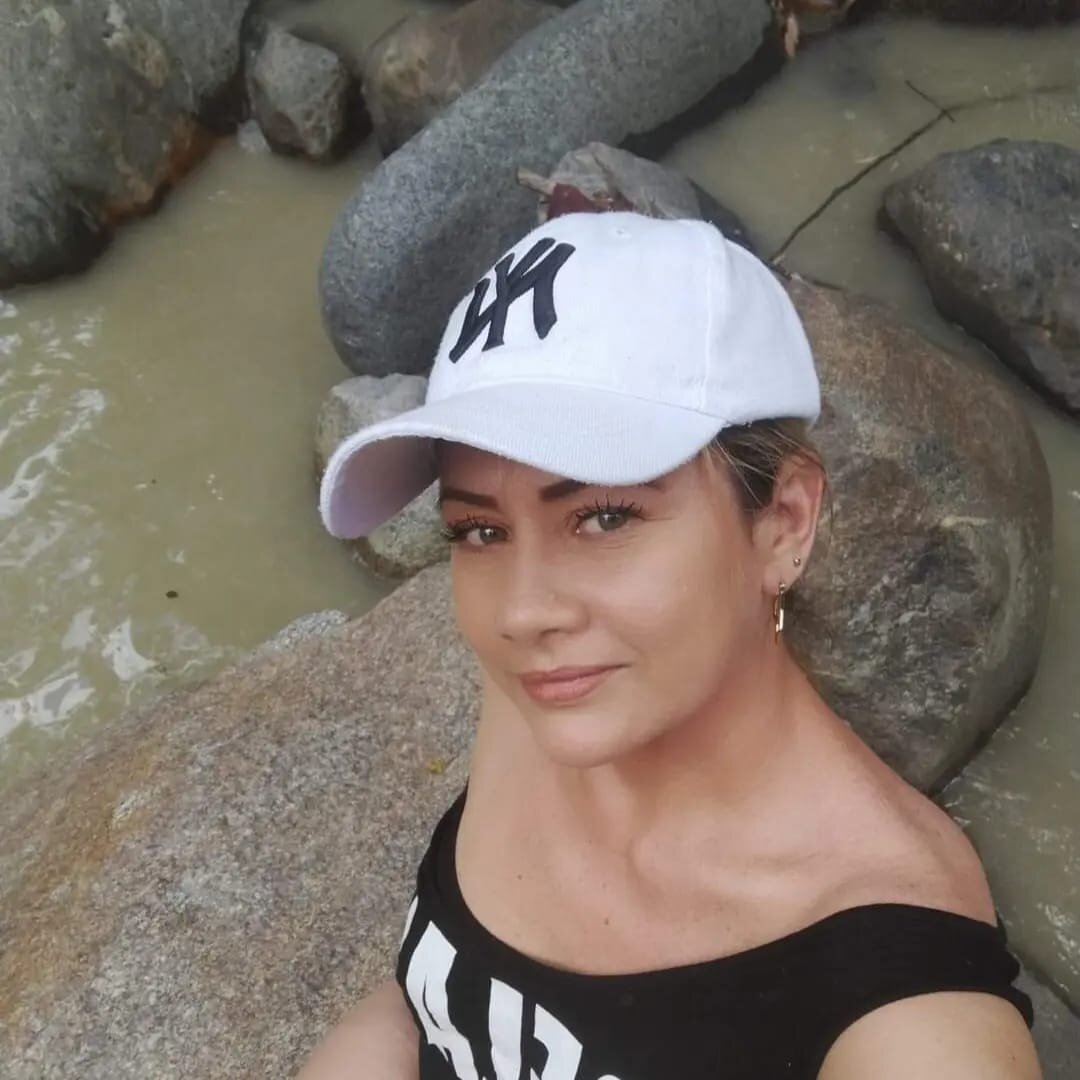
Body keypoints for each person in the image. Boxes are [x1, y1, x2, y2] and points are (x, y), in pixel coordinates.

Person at [302, 211, 1041, 1079]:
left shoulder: (906, 1011)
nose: (522, 614)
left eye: (604, 517)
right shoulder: (552, 691)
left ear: (783, 523)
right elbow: (430, 1002)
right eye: (480, 530)